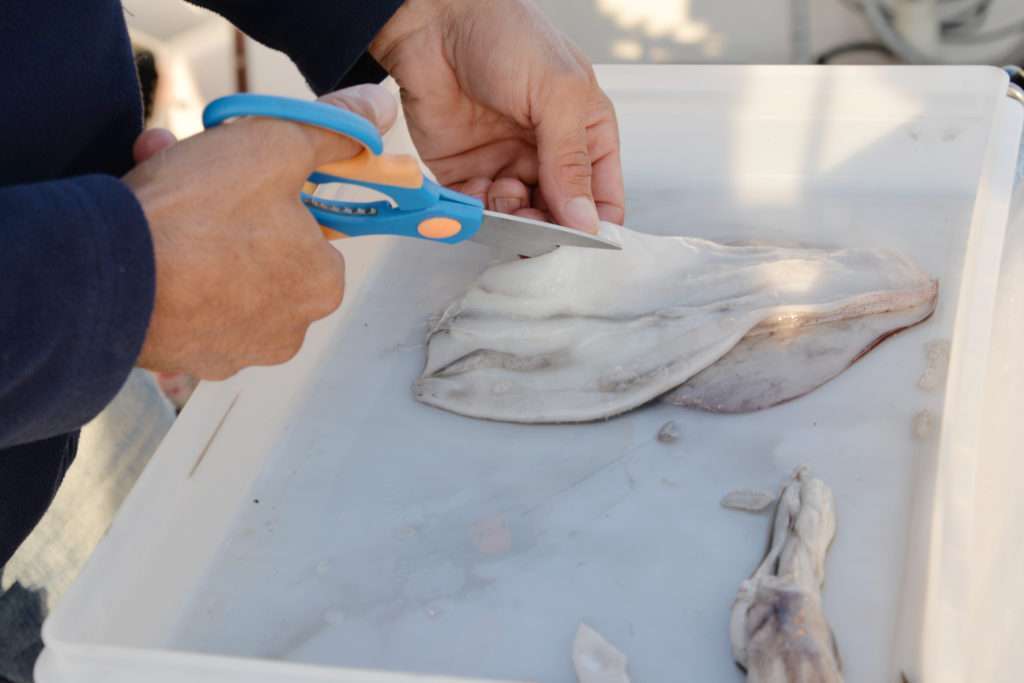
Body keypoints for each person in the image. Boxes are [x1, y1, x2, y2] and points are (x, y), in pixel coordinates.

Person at [0, 0, 623, 610]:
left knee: (154, 578)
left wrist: (416, 15)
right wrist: (97, 281)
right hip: (72, 342)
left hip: (72, 399)